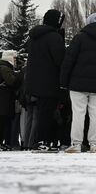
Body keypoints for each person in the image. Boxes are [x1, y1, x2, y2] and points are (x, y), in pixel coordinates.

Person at [60, 13, 96, 153]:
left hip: (78, 83)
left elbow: (69, 59)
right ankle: (94, 144)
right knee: (95, 114)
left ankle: (77, 144)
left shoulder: (80, 37)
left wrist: (63, 81)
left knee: (78, 113)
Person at [25, 9, 66, 151]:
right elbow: (59, 59)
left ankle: (40, 141)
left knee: (42, 112)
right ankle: (41, 141)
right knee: (46, 113)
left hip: (35, 81)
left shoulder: (34, 37)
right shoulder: (54, 37)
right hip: (49, 82)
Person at [0, 51, 22, 151]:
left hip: (4, 98)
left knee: (4, 121)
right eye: (14, 58)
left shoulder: (4, 67)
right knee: (3, 121)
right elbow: (11, 81)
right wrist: (18, 76)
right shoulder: (4, 68)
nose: (15, 60)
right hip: (4, 98)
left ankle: (3, 142)